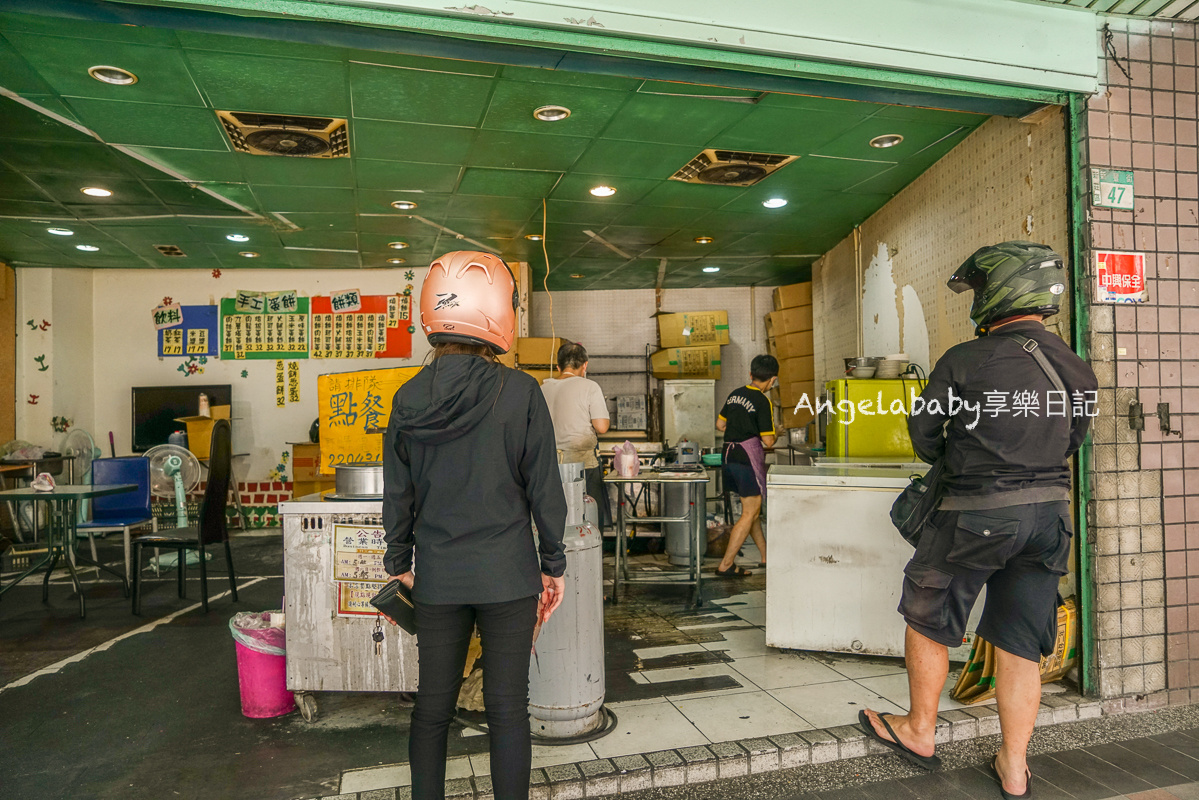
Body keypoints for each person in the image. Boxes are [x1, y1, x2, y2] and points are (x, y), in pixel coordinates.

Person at [860, 242, 1098, 799]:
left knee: (928, 616)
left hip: (975, 516)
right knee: (1019, 643)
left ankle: (920, 732)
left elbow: (924, 438)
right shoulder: (1076, 367)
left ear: (997, 293)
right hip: (1050, 520)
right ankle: (1014, 768)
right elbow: (1073, 441)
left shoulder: (965, 360)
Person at [381, 250, 567, 800]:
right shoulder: (521, 392)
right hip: (509, 575)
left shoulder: (407, 396)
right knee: (508, 707)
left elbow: (400, 493)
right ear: (496, 314)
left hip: (437, 578)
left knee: (432, 706)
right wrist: (552, 563)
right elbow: (544, 488)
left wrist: (400, 564)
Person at [714, 354, 778, 577]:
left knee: (752, 510)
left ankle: (766, 556)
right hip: (745, 458)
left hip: (728, 456)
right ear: (773, 380)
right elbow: (768, 441)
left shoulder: (734, 395)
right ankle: (726, 564)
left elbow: (720, 424)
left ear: (751, 375)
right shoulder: (763, 401)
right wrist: (777, 431)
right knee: (750, 512)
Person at [540, 342, 612, 528]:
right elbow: (602, 426)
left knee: (558, 520)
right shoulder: (590, 387)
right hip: (582, 466)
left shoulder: (542, 389)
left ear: (558, 366)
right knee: (588, 519)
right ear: (585, 365)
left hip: (549, 466)